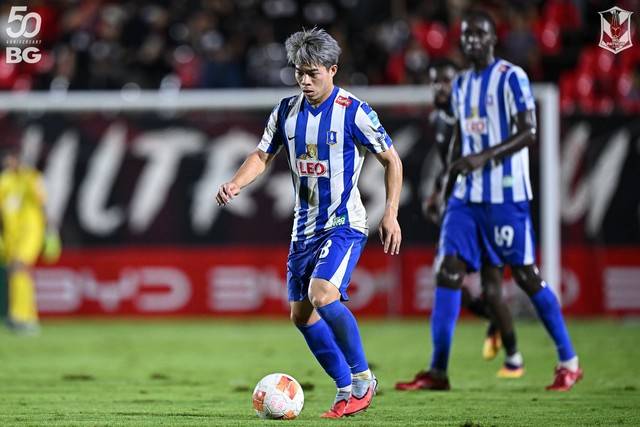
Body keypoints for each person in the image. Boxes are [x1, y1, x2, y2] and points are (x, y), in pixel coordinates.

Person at [216, 27, 403, 418]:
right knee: (301, 315)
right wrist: (235, 183)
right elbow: (262, 155)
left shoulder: (354, 111)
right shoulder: (286, 111)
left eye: (312, 73)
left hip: (344, 223)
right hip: (303, 228)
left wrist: (390, 212)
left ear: (332, 70)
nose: (304, 80)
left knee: (323, 294)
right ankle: (344, 388)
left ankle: (363, 379)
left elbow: (391, 159)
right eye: (299, 72)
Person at [396, 10, 582, 392]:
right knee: (447, 272)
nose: (472, 41)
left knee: (526, 276)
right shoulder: (462, 84)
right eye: (466, 35)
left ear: (493, 38)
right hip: (466, 197)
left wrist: (485, 157)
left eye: (479, 34)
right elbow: (461, 140)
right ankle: (438, 370)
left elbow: (529, 131)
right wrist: (443, 188)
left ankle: (568, 361)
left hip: (506, 195)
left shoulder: (512, 77)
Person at [414, 59, 524, 381]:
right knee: (448, 276)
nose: (439, 87)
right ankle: (490, 324)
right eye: (434, 81)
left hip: (486, 205)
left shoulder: (473, 117)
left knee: (491, 286)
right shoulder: (437, 118)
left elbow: (476, 159)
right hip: (458, 207)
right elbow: (449, 163)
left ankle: (513, 355)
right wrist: (438, 193)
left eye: (446, 81)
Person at [0, 148, 52, 334]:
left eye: (10, 159)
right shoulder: (5, 180)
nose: (7, 163)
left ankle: (21, 316)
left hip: (30, 231)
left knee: (19, 267)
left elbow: (42, 203)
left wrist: (50, 231)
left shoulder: (31, 177)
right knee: (15, 272)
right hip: (11, 236)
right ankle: (24, 316)